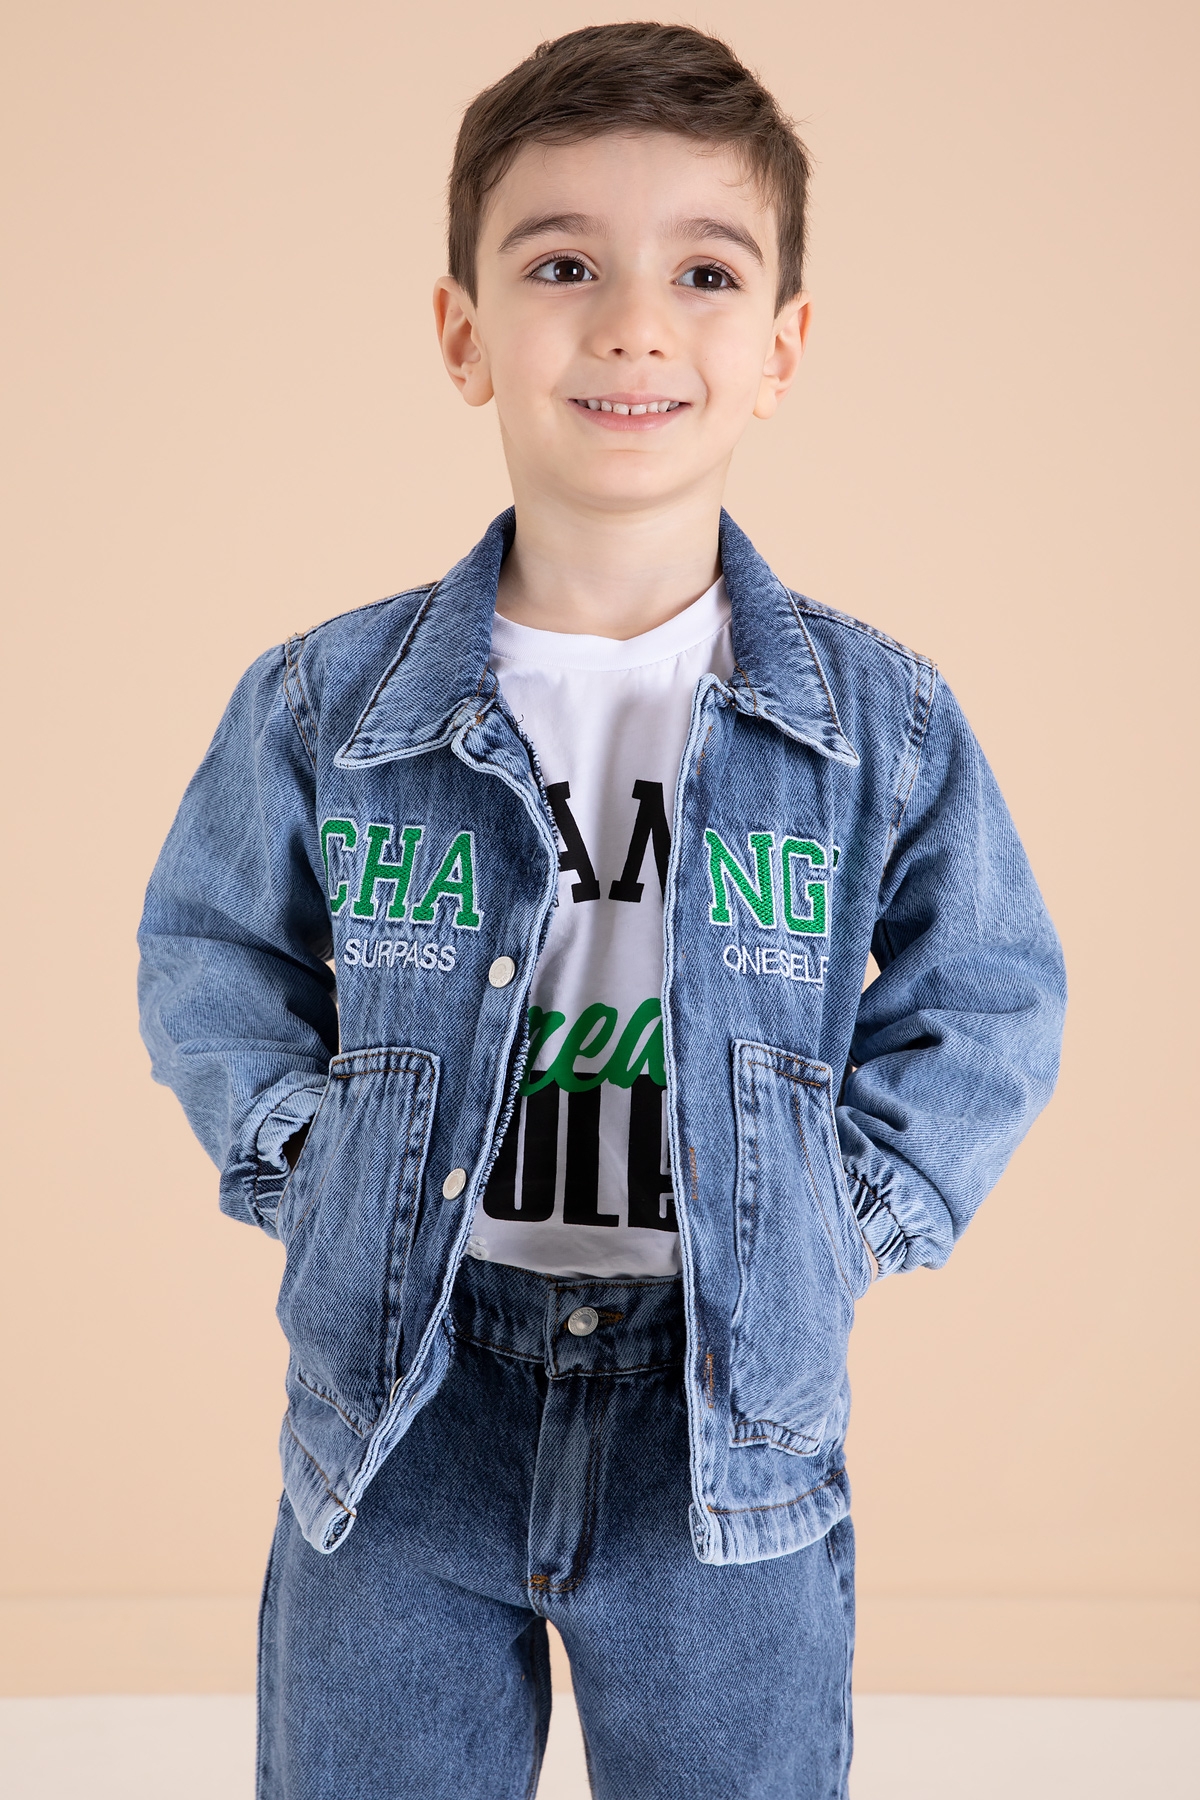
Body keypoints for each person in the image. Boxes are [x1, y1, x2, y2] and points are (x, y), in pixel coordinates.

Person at [138, 22, 1065, 1799]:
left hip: (722, 1412)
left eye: (704, 274)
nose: (635, 323)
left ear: (781, 348)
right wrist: (308, 1159)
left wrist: (839, 1217)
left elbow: (992, 993)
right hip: (405, 1396)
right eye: (563, 265)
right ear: (463, 333)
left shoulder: (877, 723)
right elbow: (212, 950)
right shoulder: (332, 701)